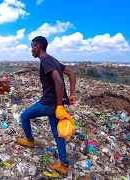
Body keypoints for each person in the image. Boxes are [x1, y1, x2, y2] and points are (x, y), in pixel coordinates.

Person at [16, 36, 76, 176]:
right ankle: (63, 165)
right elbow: (72, 73)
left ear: (37, 47)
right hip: (55, 105)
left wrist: (59, 105)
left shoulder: (46, 60)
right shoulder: (53, 59)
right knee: (57, 134)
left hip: (49, 104)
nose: (31, 50)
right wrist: (72, 94)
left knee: (24, 116)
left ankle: (30, 141)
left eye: (32, 47)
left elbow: (59, 83)